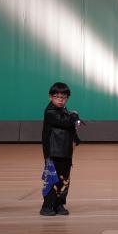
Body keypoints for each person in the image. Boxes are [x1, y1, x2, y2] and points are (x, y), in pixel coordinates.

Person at [40, 82, 81, 216]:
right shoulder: (50, 112)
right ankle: (47, 206)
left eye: (63, 97)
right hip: (53, 153)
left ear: (67, 98)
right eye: (57, 97)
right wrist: (74, 116)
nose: (60, 100)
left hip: (65, 152)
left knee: (64, 180)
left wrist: (75, 139)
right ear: (50, 97)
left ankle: (59, 204)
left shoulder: (64, 110)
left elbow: (69, 127)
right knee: (52, 179)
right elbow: (65, 122)